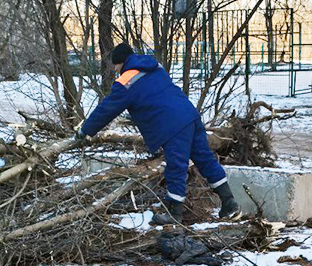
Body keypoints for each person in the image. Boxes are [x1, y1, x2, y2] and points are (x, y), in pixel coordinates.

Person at [78, 42, 242, 224]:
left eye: (115, 65)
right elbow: (155, 95)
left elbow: (107, 109)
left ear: (121, 62)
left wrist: (86, 130)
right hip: (190, 115)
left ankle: (174, 215)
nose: (115, 70)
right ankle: (229, 203)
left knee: (176, 167)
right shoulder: (154, 67)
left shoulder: (126, 81)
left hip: (173, 125)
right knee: (205, 159)